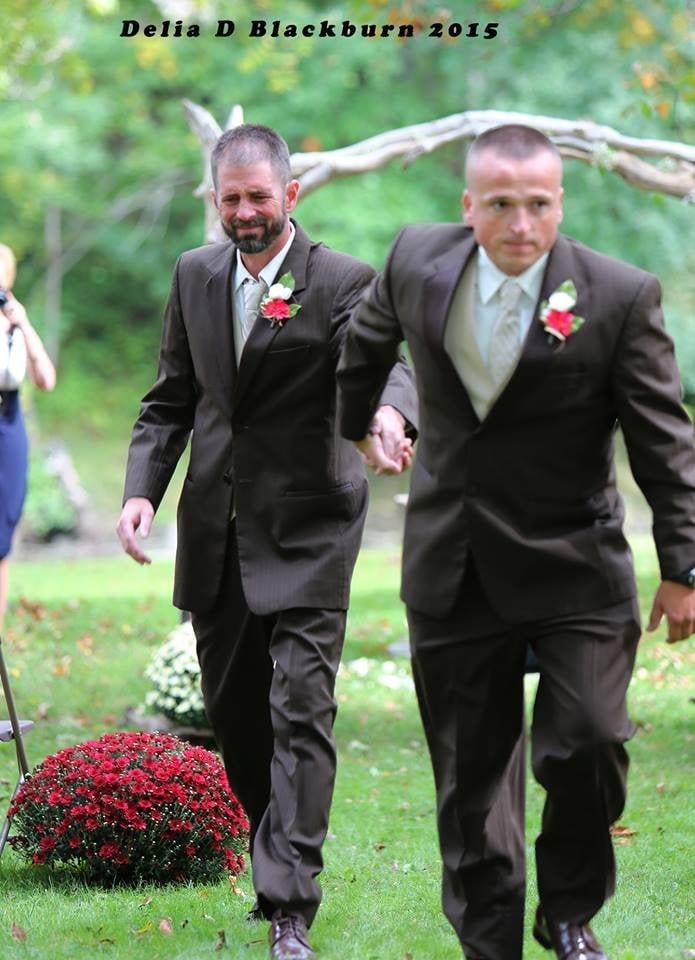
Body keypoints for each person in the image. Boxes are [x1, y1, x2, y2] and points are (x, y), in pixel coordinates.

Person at [337, 124, 695, 960]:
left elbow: (661, 443)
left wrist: (681, 565)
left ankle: (568, 911)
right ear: (470, 206)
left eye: (537, 205)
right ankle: (488, 939)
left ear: (558, 204)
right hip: (453, 562)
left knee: (592, 740)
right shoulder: (414, 261)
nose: (521, 223)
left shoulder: (617, 294)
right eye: (500, 204)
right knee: (470, 781)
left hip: (577, 562)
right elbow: (364, 344)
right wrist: (367, 422)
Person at [116, 124, 416, 960]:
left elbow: (384, 361)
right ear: (215, 200)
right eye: (230, 198)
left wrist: (389, 415)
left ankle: (290, 905)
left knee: (302, 712)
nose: (244, 212)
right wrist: (143, 493)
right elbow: (171, 399)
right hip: (215, 531)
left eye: (259, 196)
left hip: (311, 527)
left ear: (291, 194)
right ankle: (270, 852)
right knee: (239, 720)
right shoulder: (194, 273)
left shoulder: (343, 280)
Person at [0, 243, 56, 634]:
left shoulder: (15, 321)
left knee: (3, 530)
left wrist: (23, 325)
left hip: (8, 423)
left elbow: (46, 380)